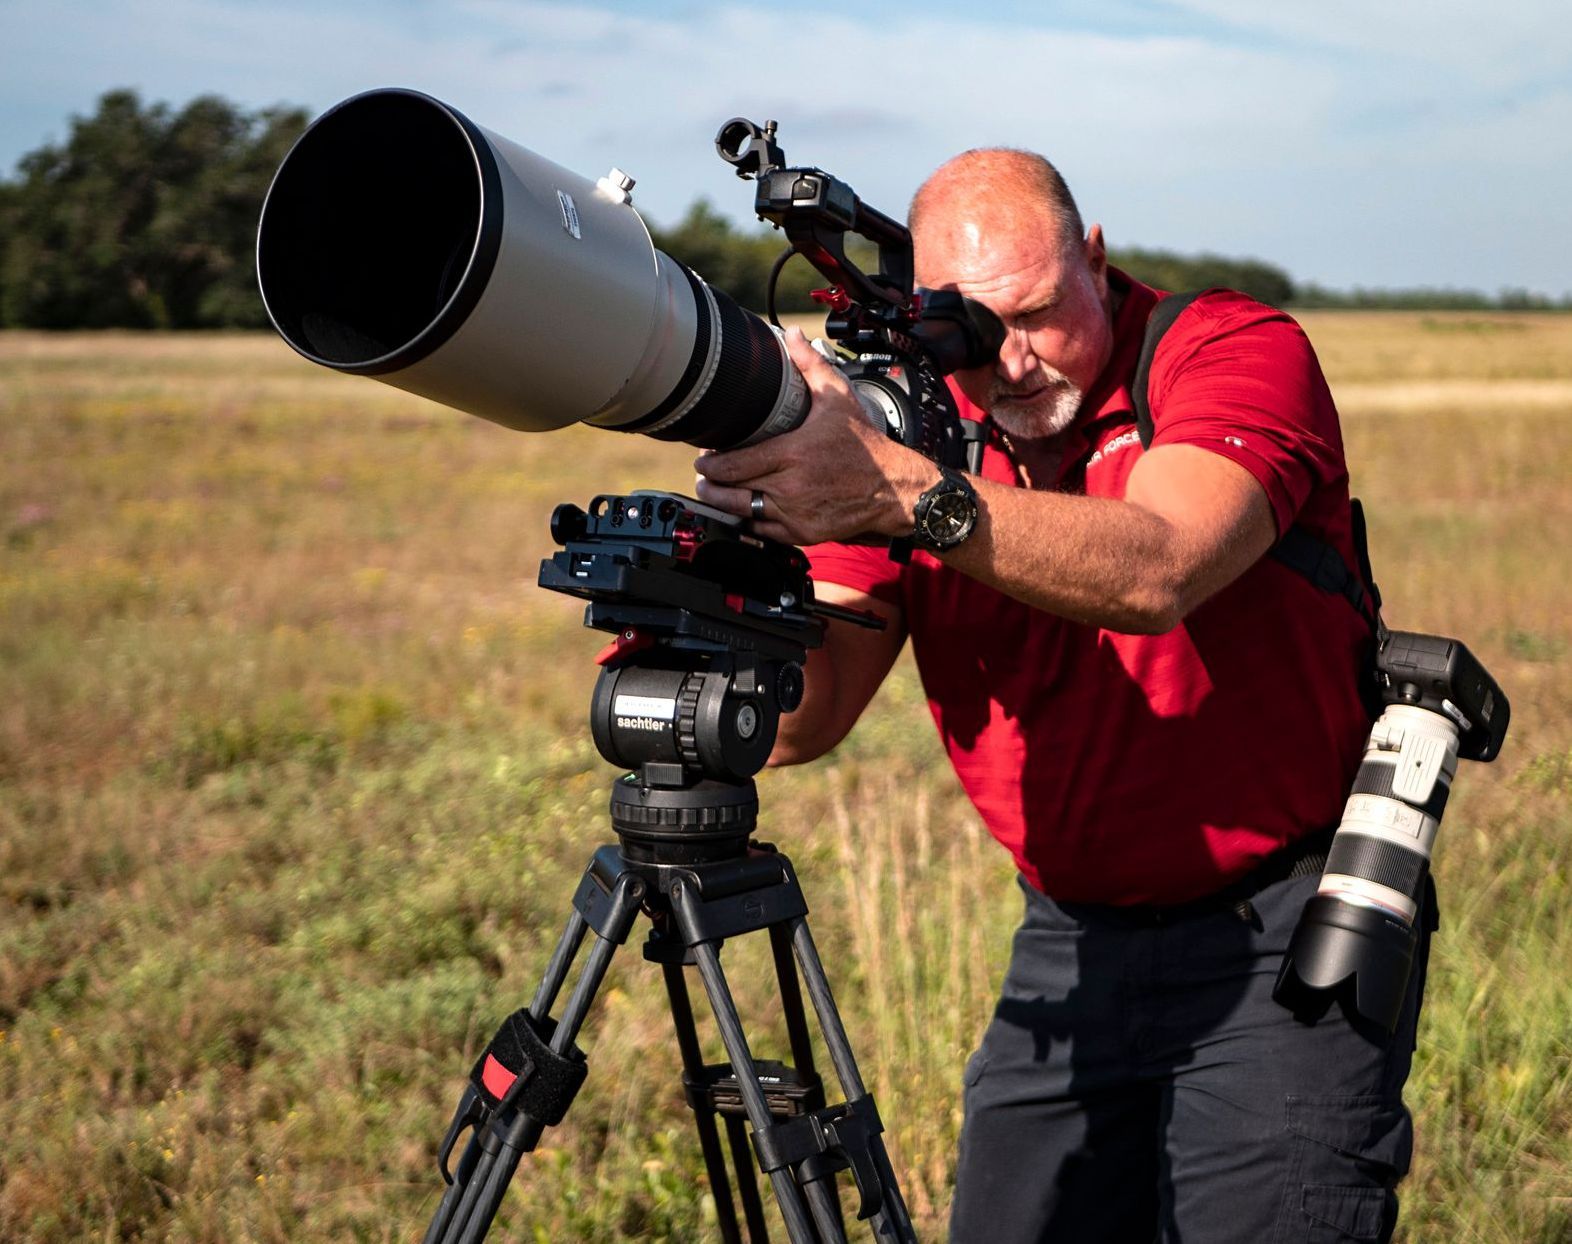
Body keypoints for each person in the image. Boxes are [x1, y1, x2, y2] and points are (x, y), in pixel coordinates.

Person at [693, 149, 1429, 1243]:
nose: (1020, 360)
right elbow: (809, 716)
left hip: (1289, 922)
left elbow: (1159, 566)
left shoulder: (1227, 348)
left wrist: (902, 491)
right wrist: (742, 568)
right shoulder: (919, 418)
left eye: (1040, 311)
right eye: (976, 330)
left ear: (1092, 255)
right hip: (1070, 939)